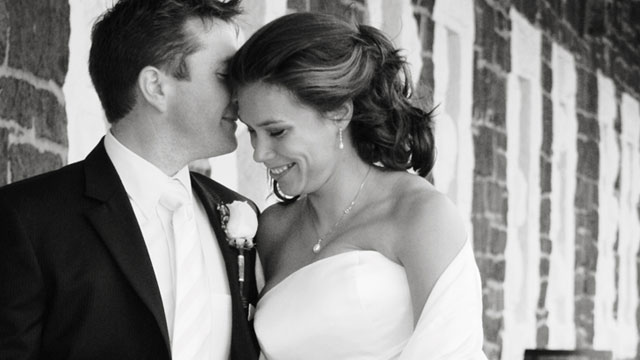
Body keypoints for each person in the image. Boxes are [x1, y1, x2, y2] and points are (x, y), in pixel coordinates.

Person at [0, 1, 260, 359]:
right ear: (155, 85)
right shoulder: (26, 220)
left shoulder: (240, 213)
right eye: (225, 75)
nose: (240, 94)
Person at [229, 12, 487, 359]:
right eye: (251, 131)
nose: (260, 153)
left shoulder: (418, 215)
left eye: (276, 131)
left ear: (338, 113)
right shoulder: (272, 230)